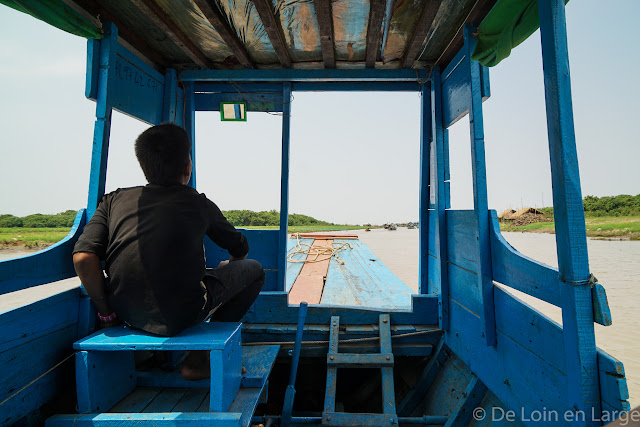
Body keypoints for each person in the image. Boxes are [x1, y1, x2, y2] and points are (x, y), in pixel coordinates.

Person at [72, 123, 264, 380]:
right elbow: (239, 246)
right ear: (187, 166)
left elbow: (84, 257)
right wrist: (232, 263)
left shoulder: (113, 200)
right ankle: (199, 360)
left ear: (143, 165)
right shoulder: (197, 202)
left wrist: (107, 315)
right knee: (255, 270)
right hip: (184, 314)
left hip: (125, 312)